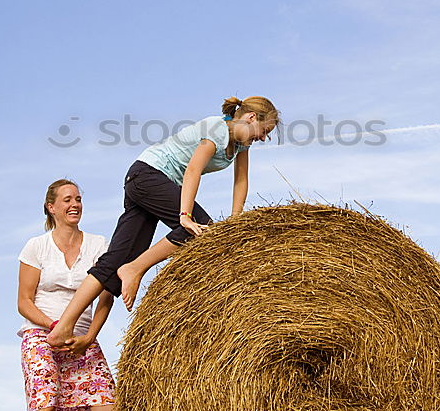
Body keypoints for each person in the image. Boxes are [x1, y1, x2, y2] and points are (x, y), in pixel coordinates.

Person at [47, 96, 279, 349]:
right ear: (251, 117)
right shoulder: (217, 129)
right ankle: (135, 269)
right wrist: (185, 217)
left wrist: (235, 222)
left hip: (148, 182)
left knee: (116, 260)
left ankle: (64, 327)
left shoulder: (241, 144)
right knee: (201, 229)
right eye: (265, 131)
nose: (264, 138)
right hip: (147, 175)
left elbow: (241, 182)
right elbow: (192, 170)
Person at [14, 179, 119, 411]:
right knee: (42, 410)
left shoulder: (99, 245)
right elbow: (24, 301)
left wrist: (89, 336)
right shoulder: (36, 247)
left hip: (83, 340)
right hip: (41, 336)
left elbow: (106, 297)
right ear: (52, 207)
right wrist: (55, 326)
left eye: (78, 199)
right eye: (67, 199)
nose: (75, 204)